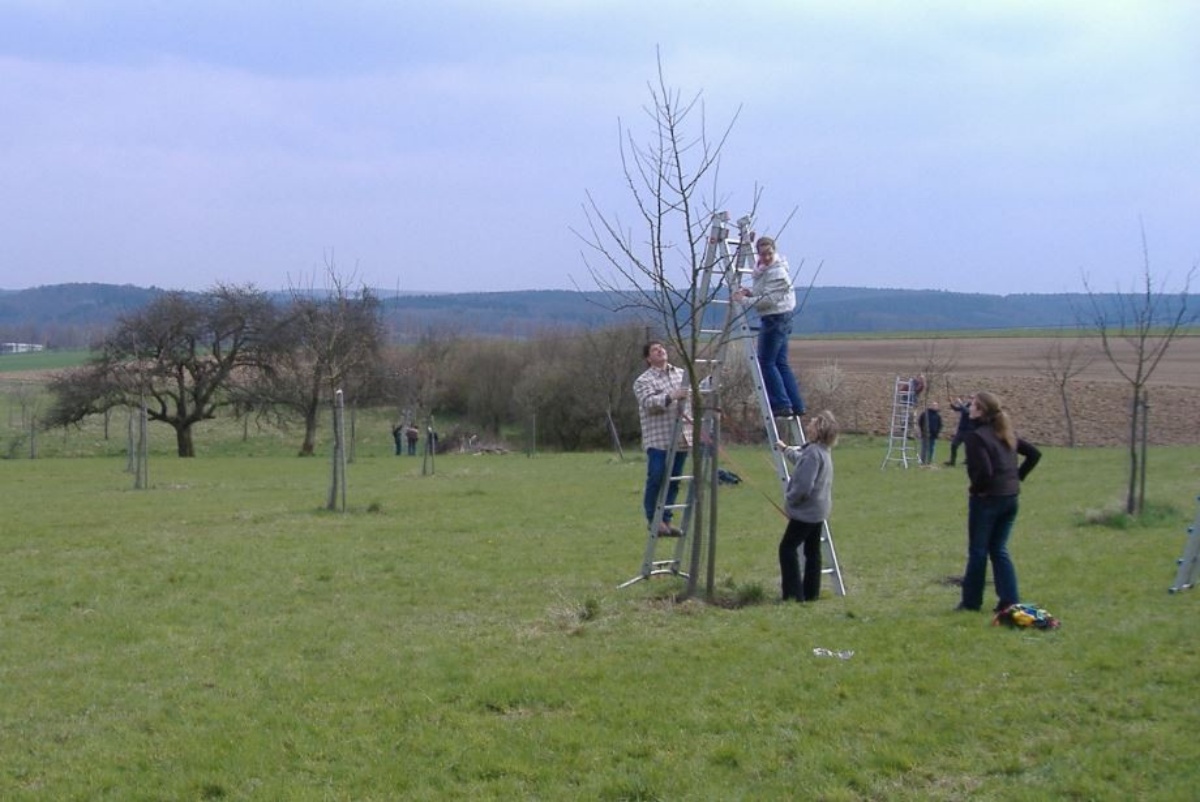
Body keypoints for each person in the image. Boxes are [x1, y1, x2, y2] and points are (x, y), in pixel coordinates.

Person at [956, 391, 1041, 613]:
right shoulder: (1005, 433)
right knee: (999, 549)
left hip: (988, 500)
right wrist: (1017, 477)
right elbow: (1034, 454)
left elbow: (984, 470)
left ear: (981, 410)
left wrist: (977, 490)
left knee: (978, 551)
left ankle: (971, 602)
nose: (969, 408)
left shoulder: (976, 437)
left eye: (973, 405)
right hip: (1010, 498)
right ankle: (1009, 599)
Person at [733, 236, 805, 419]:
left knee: (766, 362)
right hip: (778, 318)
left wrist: (744, 300)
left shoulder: (777, 272)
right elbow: (764, 292)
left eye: (769, 253)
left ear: (774, 251)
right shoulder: (766, 270)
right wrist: (750, 292)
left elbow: (768, 300)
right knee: (780, 363)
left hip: (775, 318)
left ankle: (781, 405)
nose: (765, 257)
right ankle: (795, 404)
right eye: (762, 254)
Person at [776, 410, 839, 602]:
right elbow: (801, 460)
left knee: (787, 549)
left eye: (812, 423)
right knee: (812, 552)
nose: (808, 425)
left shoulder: (812, 453)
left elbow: (804, 486)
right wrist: (786, 449)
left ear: (818, 430)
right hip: (819, 510)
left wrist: (790, 498)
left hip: (807, 512)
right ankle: (811, 594)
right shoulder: (821, 450)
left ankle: (794, 595)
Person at [633, 340, 691, 536]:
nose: (660, 351)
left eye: (662, 348)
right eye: (655, 350)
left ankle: (666, 520)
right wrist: (671, 396)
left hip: (682, 438)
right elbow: (648, 403)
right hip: (658, 439)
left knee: (674, 481)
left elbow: (693, 396)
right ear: (648, 358)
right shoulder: (643, 381)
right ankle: (653, 519)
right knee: (656, 477)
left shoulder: (682, 374)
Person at [944, 395, 975, 466]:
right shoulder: (966, 405)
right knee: (954, 445)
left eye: (972, 398)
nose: (970, 399)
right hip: (961, 430)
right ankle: (952, 462)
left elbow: (967, 411)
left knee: (968, 447)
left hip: (969, 430)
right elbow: (956, 409)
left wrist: (960, 403)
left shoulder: (973, 407)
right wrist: (951, 402)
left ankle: (968, 461)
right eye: (969, 398)